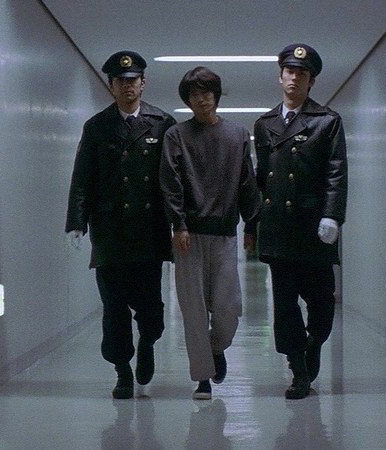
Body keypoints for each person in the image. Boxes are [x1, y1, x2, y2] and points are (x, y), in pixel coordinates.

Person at [65, 50, 176, 399]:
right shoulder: (97, 126)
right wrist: (76, 221)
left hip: (149, 230)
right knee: (114, 308)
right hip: (110, 231)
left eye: (133, 80)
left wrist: (180, 222)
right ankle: (122, 370)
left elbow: (173, 179)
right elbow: (82, 177)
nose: (127, 86)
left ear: (143, 83)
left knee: (150, 308)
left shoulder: (162, 123)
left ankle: (148, 343)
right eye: (120, 81)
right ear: (111, 86)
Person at [159, 66, 261, 400]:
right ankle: (202, 377)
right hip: (188, 235)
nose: (201, 99)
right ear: (187, 100)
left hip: (225, 233)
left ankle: (217, 349)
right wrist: (178, 223)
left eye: (206, 92)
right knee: (194, 309)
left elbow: (247, 183)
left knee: (228, 307)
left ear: (216, 95)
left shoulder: (237, 135)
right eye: (194, 94)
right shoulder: (176, 136)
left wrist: (252, 224)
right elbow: (170, 182)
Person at [253, 44, 347, 399]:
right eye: (289, 72)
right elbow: (261, 178)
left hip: (314, 227)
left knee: (322, 303)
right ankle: (298, 369)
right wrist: (253, 221)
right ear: (280, 77)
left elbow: (336, 172)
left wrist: (332, 215)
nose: (294, 78)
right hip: (278, 227)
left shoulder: (327, 121)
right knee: (285, 305)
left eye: (302, 73)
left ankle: (313, 343)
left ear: (312, 81)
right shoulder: (265, 124)